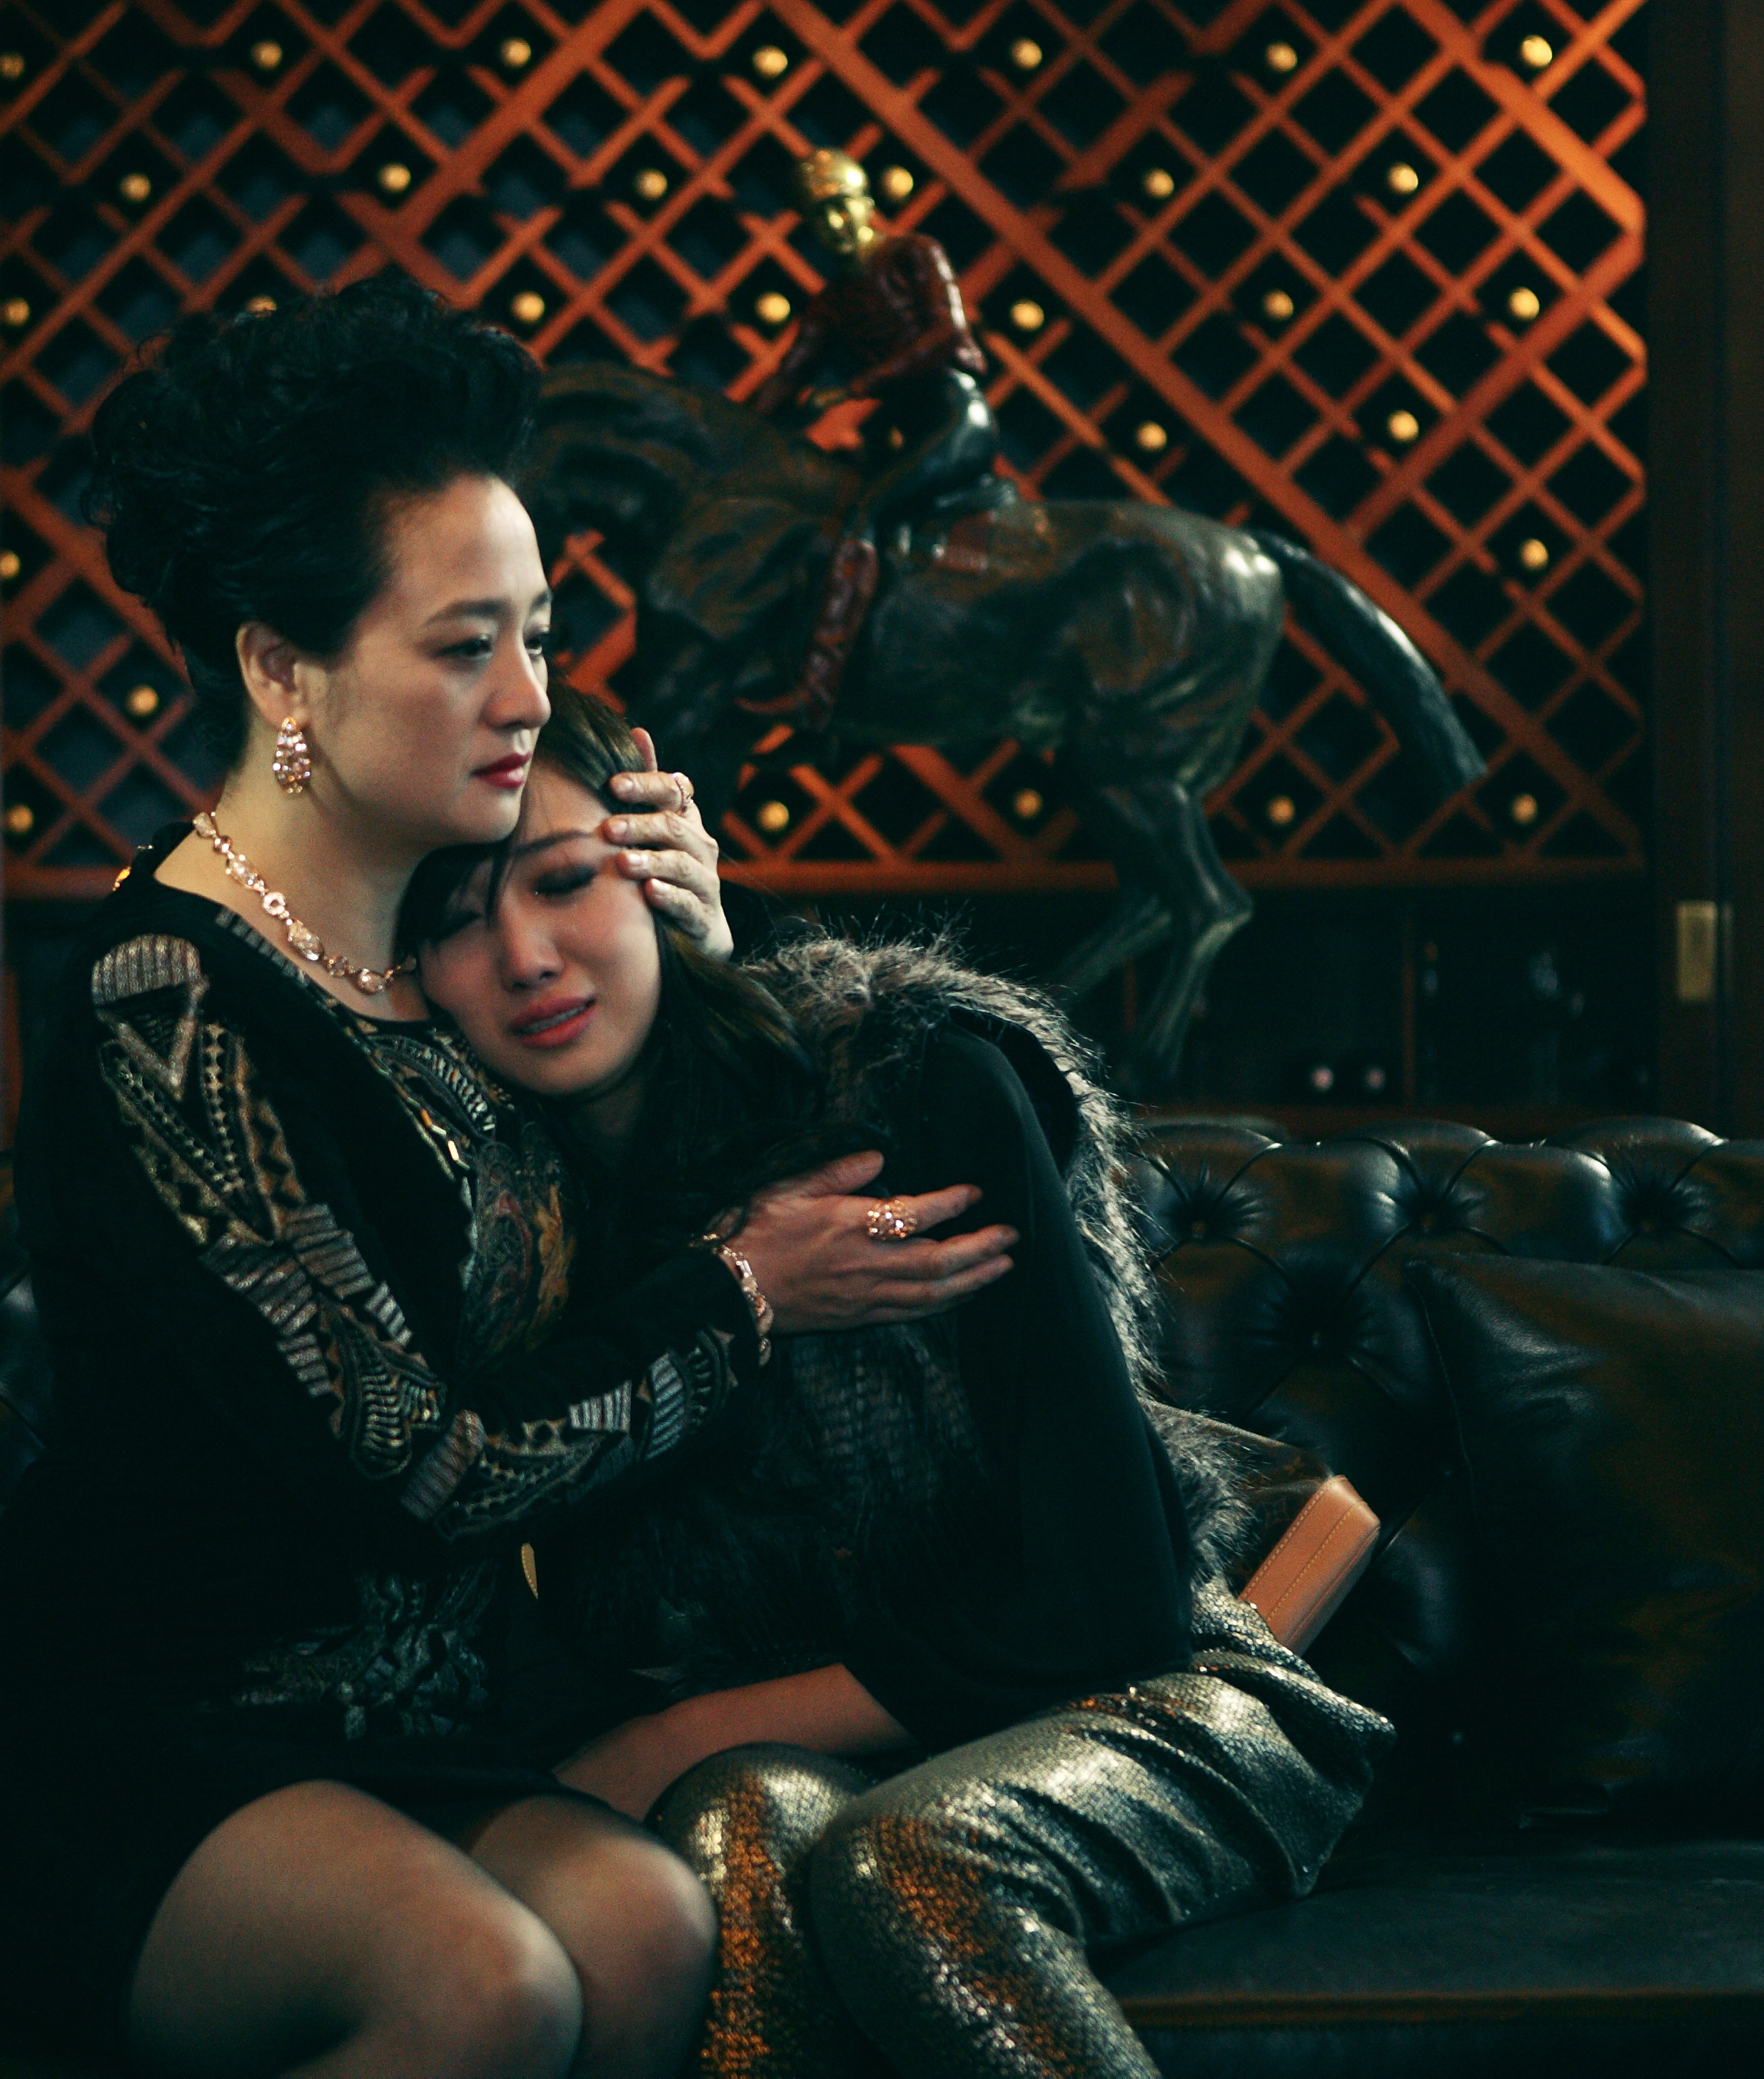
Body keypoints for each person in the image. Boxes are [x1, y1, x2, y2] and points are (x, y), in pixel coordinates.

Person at [0, 278, 1022, 2079]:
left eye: (541, 636)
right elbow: (423, 1467)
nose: (529, 699)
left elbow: (637, 1227)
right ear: (283, 671)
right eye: (464, 647)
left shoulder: (449, 959)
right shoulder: (172, 999)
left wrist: (703, 965)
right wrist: (745, 1292)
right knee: (491, 1988)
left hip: (420, 1725)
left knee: (652, 1926)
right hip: (137, 1726)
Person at [405, 690, 1394, 2078]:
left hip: (1147, 1701)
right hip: (841, 1755)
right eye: (456, 922)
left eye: (566, 880)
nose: (525, 956)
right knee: (733, 1830)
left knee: (900, 1859)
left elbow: (1107, 1603)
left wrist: (674, 1732)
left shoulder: (901, 1079)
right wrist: (731, 1294)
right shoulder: (511, 1231)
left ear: (659, 862)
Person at [747, 146, 1006, 725]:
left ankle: (818, 689)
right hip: (905, 437)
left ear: (867, 203)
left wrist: (854, 387)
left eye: (842, 205)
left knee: (864, 517)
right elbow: (790, 375)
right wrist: (733, 428)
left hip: (956, 419)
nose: (835, 223)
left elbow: (948, 335)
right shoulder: (831, 302)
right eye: (820, 215)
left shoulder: (914, 254)